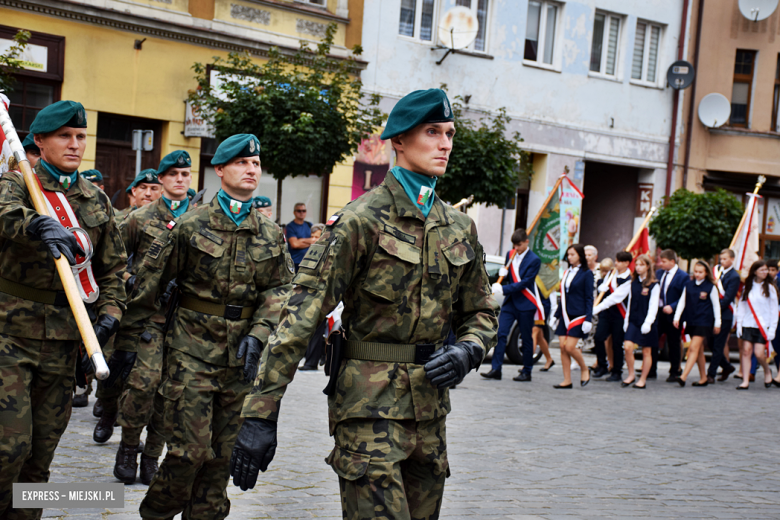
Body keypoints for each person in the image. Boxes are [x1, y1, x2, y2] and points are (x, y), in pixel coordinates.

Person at [229, 89, 498, 520]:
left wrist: (469, 349)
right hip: (368, 412)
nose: (445, 143)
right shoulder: (361, 220)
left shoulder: (458, 227)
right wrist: (261, 412)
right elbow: (301, 315)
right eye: (432, 132)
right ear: (400, 141)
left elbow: (482, 313)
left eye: (449, 133)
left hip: (429, 414)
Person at [112, 134, 293, 518]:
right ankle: (157, 512)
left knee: (222, 457)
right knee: (188, 452)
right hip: (190, 353)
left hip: (241, 361)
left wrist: (260, 332)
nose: (251, 170)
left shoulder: (270, 233)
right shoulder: (190, 225)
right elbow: (150, 286)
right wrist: (129, 343)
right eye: (242, 163)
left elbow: (279, 290)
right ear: (220, 170)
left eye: (256, 164)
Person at [0, 100, 128, 519]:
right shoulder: (17, 184)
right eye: (65, 137)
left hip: (63, 343)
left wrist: (110, 314)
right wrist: (35, 223)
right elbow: (3, 214)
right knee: (8, 449)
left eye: (81, 137)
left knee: (39, 459)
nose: (75, 145)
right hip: (9, 336)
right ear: (39, 141)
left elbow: (113, 268)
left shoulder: (97, 200)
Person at [111, 150, 193, 486]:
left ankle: (151, 456)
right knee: (143, 387)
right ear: (161, 180)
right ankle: (129, 445)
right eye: (173, 173)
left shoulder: (202, 218)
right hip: (147, 320)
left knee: (171, 394)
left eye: (185, 174)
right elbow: (112, 261)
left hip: (187, 324)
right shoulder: (139, 218)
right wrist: (132, 281)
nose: (179, 179)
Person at [484, 228, 541, 381]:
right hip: (510, 303)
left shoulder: (534, 260)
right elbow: (509, 275)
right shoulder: (510, 254)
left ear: (527, 242)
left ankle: (527, 371)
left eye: (519, 245)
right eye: (514, 245)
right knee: (501, 333)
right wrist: (502, 275)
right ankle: (496, 369)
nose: (516, 248)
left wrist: (503, 288)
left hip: (525, 303)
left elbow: (525, 283)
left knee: (526, 339)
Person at [550, 244, 593, 388]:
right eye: (568, 255)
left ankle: (584, 368)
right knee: (562, 348)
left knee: (570, 347)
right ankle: (567, 380)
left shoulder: (587, 273)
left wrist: (588, 318)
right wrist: (556, 315)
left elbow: (589, 298)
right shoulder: (567, 272)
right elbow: (564, 297)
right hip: (564, 314)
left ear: (580, 255)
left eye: (572, 254)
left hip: (578, 315)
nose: (569, 257)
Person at [673, 260, 721, 387]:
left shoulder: (711, 287)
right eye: (696, 271)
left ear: (706, 273)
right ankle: (703, 378)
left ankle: (683, 377)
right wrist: (677, 317)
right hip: (691, 320)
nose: (697, 274)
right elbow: (682, 302)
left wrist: (718, 323)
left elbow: (716, 306)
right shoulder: (689, 285)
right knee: (698, 351)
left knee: (693, 347)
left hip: (704, 321)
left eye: (700, 272)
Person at [735, 260, 778, 390]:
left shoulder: (770, 287)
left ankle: (767, 370)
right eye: (762, 270)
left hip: (763, 326)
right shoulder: (747, 287)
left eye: (766, 270)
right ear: (755, 272)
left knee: (759, 354)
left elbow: (774, 309)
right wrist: (739, 324)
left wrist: (772, 328)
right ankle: (745, 380)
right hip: (748, 323)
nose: (765, 272)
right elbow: (742, 306)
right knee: (746, 351)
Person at [592, 251, 633, 381]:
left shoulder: (629, 279)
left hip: (619, 314)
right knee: (598, 337)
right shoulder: (611, 273)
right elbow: (603, 289)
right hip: (606, 314)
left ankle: (617, 371)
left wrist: (597, 308)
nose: (616, 263)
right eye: (616, 260)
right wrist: (601, 287)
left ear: (626, 263)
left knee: (616, 343)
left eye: (620, 261)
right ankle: (602, 365)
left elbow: (615, 298)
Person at [621, 254, 660, 389]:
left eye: (641, 265)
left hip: (646, 322)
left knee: (646, 351)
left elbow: (653, 305)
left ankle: (642, 379)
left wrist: (648, 322)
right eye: (636, 265)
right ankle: (631, 374)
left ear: (648, 266)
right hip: (634, 319)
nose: (638, 267)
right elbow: (630, 302)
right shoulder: (634, 283)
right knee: (627, 347)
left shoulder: (653, 284)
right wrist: (627, 320)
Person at [654, 249, 688, 381]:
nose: (660, 264)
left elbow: (684, 296)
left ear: (672, 262)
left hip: (673, 315)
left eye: (664, 261)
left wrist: (673, 307)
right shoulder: (659, 273)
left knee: (673, 343)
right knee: (653, 340)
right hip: (659, 312)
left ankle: (674, 371)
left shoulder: (682, 276)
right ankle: (651, 369)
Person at [709, 249, 740, 383]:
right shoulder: (717, 272)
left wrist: (714, 309)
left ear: (732, 259)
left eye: (725, 259)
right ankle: (727, 366)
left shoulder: (734, 276)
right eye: (721, 259)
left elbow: (727, 299)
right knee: (710, 343)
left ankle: (711, 374)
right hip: (713, 313)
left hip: (725, 314)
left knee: (718, 345)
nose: (722, 261)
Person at [286, 202, 314, 270]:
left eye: (304, 211)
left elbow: (316, 241)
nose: (301, 213)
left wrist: (300, 240)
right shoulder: (290, 226)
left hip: (308, 262)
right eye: (299, 211)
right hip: (295, 262)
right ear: (294, 212)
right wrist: (310, 242)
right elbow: (294, 244)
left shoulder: (309, 225)